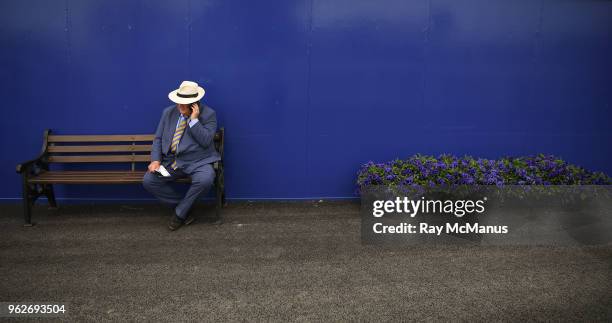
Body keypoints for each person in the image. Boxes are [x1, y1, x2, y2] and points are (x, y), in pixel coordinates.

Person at [143, 81, 221, 231]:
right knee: (149, 180)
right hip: (171, 162)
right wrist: (155, 160)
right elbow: (158, 138)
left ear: (195, 103)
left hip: (198, 161)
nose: (180, 107)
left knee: (205, 179)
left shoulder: (209, 114)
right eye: (178, 102)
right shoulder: (168, 112)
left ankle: (179, 215)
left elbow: (205, 141)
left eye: (184, 104)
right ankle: (185, 209)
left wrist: (194, 120)